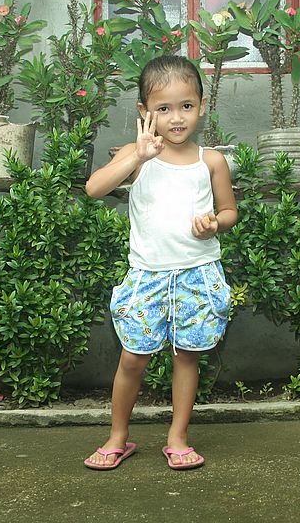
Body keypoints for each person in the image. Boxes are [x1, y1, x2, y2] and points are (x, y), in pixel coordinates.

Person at [83, 55, 238, 470]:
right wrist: (138, 156)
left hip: (196, 275)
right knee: (132, 357)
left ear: (201, 106)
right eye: (163, 108)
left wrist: (213, 224)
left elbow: (229, 212)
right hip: (147, 277)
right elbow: (94, 188)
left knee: (186, 355)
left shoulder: (212, 161)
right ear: (144, 112)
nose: (176, 117)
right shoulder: (136, 156)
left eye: (186, 106)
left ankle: (178, 436)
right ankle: (119, 436)